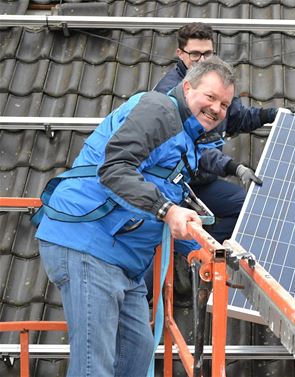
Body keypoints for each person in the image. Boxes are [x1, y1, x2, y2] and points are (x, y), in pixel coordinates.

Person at [35, 56, 236, 377]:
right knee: (94, 365)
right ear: (187, 88)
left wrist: (201, 250)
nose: (217, 109)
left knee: (137, 349)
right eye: (210, 97)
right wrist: (167, 211)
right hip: (88, 242)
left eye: (224, 104)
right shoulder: (158, 108)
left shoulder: (185, 139)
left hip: (122, 260)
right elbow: (114, 169)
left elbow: (162, 196)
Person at [154, 22, 278, 243]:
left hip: (204, 181)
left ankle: (201, 249)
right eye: (194, 54)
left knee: (246, 208)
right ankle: (187, 247)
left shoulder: (215, 81)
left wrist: (271, 115)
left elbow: (237, 118)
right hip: (173, 184)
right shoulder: (170, 95)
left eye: (207, 53)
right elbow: (194, 152)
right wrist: (234, 167)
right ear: (180, 53)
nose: (202, 60)